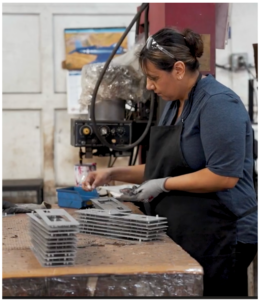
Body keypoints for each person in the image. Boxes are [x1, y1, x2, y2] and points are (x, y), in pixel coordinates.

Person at [82, 27, 259, 296]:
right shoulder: (173, 104)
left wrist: (163, 184)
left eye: (153, 77)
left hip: (224, 232)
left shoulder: (218, 104)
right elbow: (163, 168)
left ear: (178, 69)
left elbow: (223, 176)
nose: (150, 86)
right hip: (190, 228)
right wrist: (112, 174)